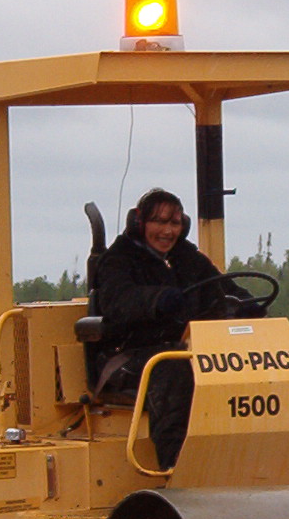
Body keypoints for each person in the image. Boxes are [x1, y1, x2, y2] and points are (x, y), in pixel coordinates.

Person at [94, 187, 254, 470]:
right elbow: (117, 302)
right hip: (130, 356)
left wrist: (247, 304)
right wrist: (156, 299)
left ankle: (249, 459)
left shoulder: (190, 259)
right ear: (140, 223)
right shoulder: (117, 260)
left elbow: (222, 288)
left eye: (174, 223)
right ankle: (178, 470)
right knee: (176, 371)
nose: (167, 231)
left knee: (248, 360)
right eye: (159, 221)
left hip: (190, 350)